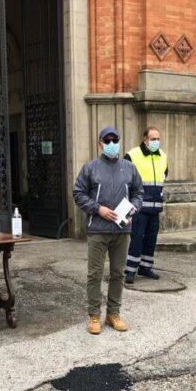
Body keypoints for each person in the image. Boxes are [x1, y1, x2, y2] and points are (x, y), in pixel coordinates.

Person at [73, 126, 144, 335]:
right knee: (95, 274)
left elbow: (139, 193)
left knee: (118, 273)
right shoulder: (90, 168)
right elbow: (78, 193)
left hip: (122, 230)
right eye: (107, 141)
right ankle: (94, 315)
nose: (111, 144)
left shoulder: (129, 168)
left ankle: (113, 313)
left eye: (115, 140)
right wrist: (98, 209)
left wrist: (133, 209)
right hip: (98, 230)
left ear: (119, 142)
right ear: (100, 144)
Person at [124, 126, 168, 284]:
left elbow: (164, 176)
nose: (156, 141)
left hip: (155, 207)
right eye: (153, 139)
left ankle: (146, 267)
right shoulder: (132, 155)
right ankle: (130, 270)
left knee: (151, 238)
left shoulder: (163, 156)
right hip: (139, 208)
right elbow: (124, 181)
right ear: (145, 139)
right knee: (137, 238)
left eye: (158, 139)